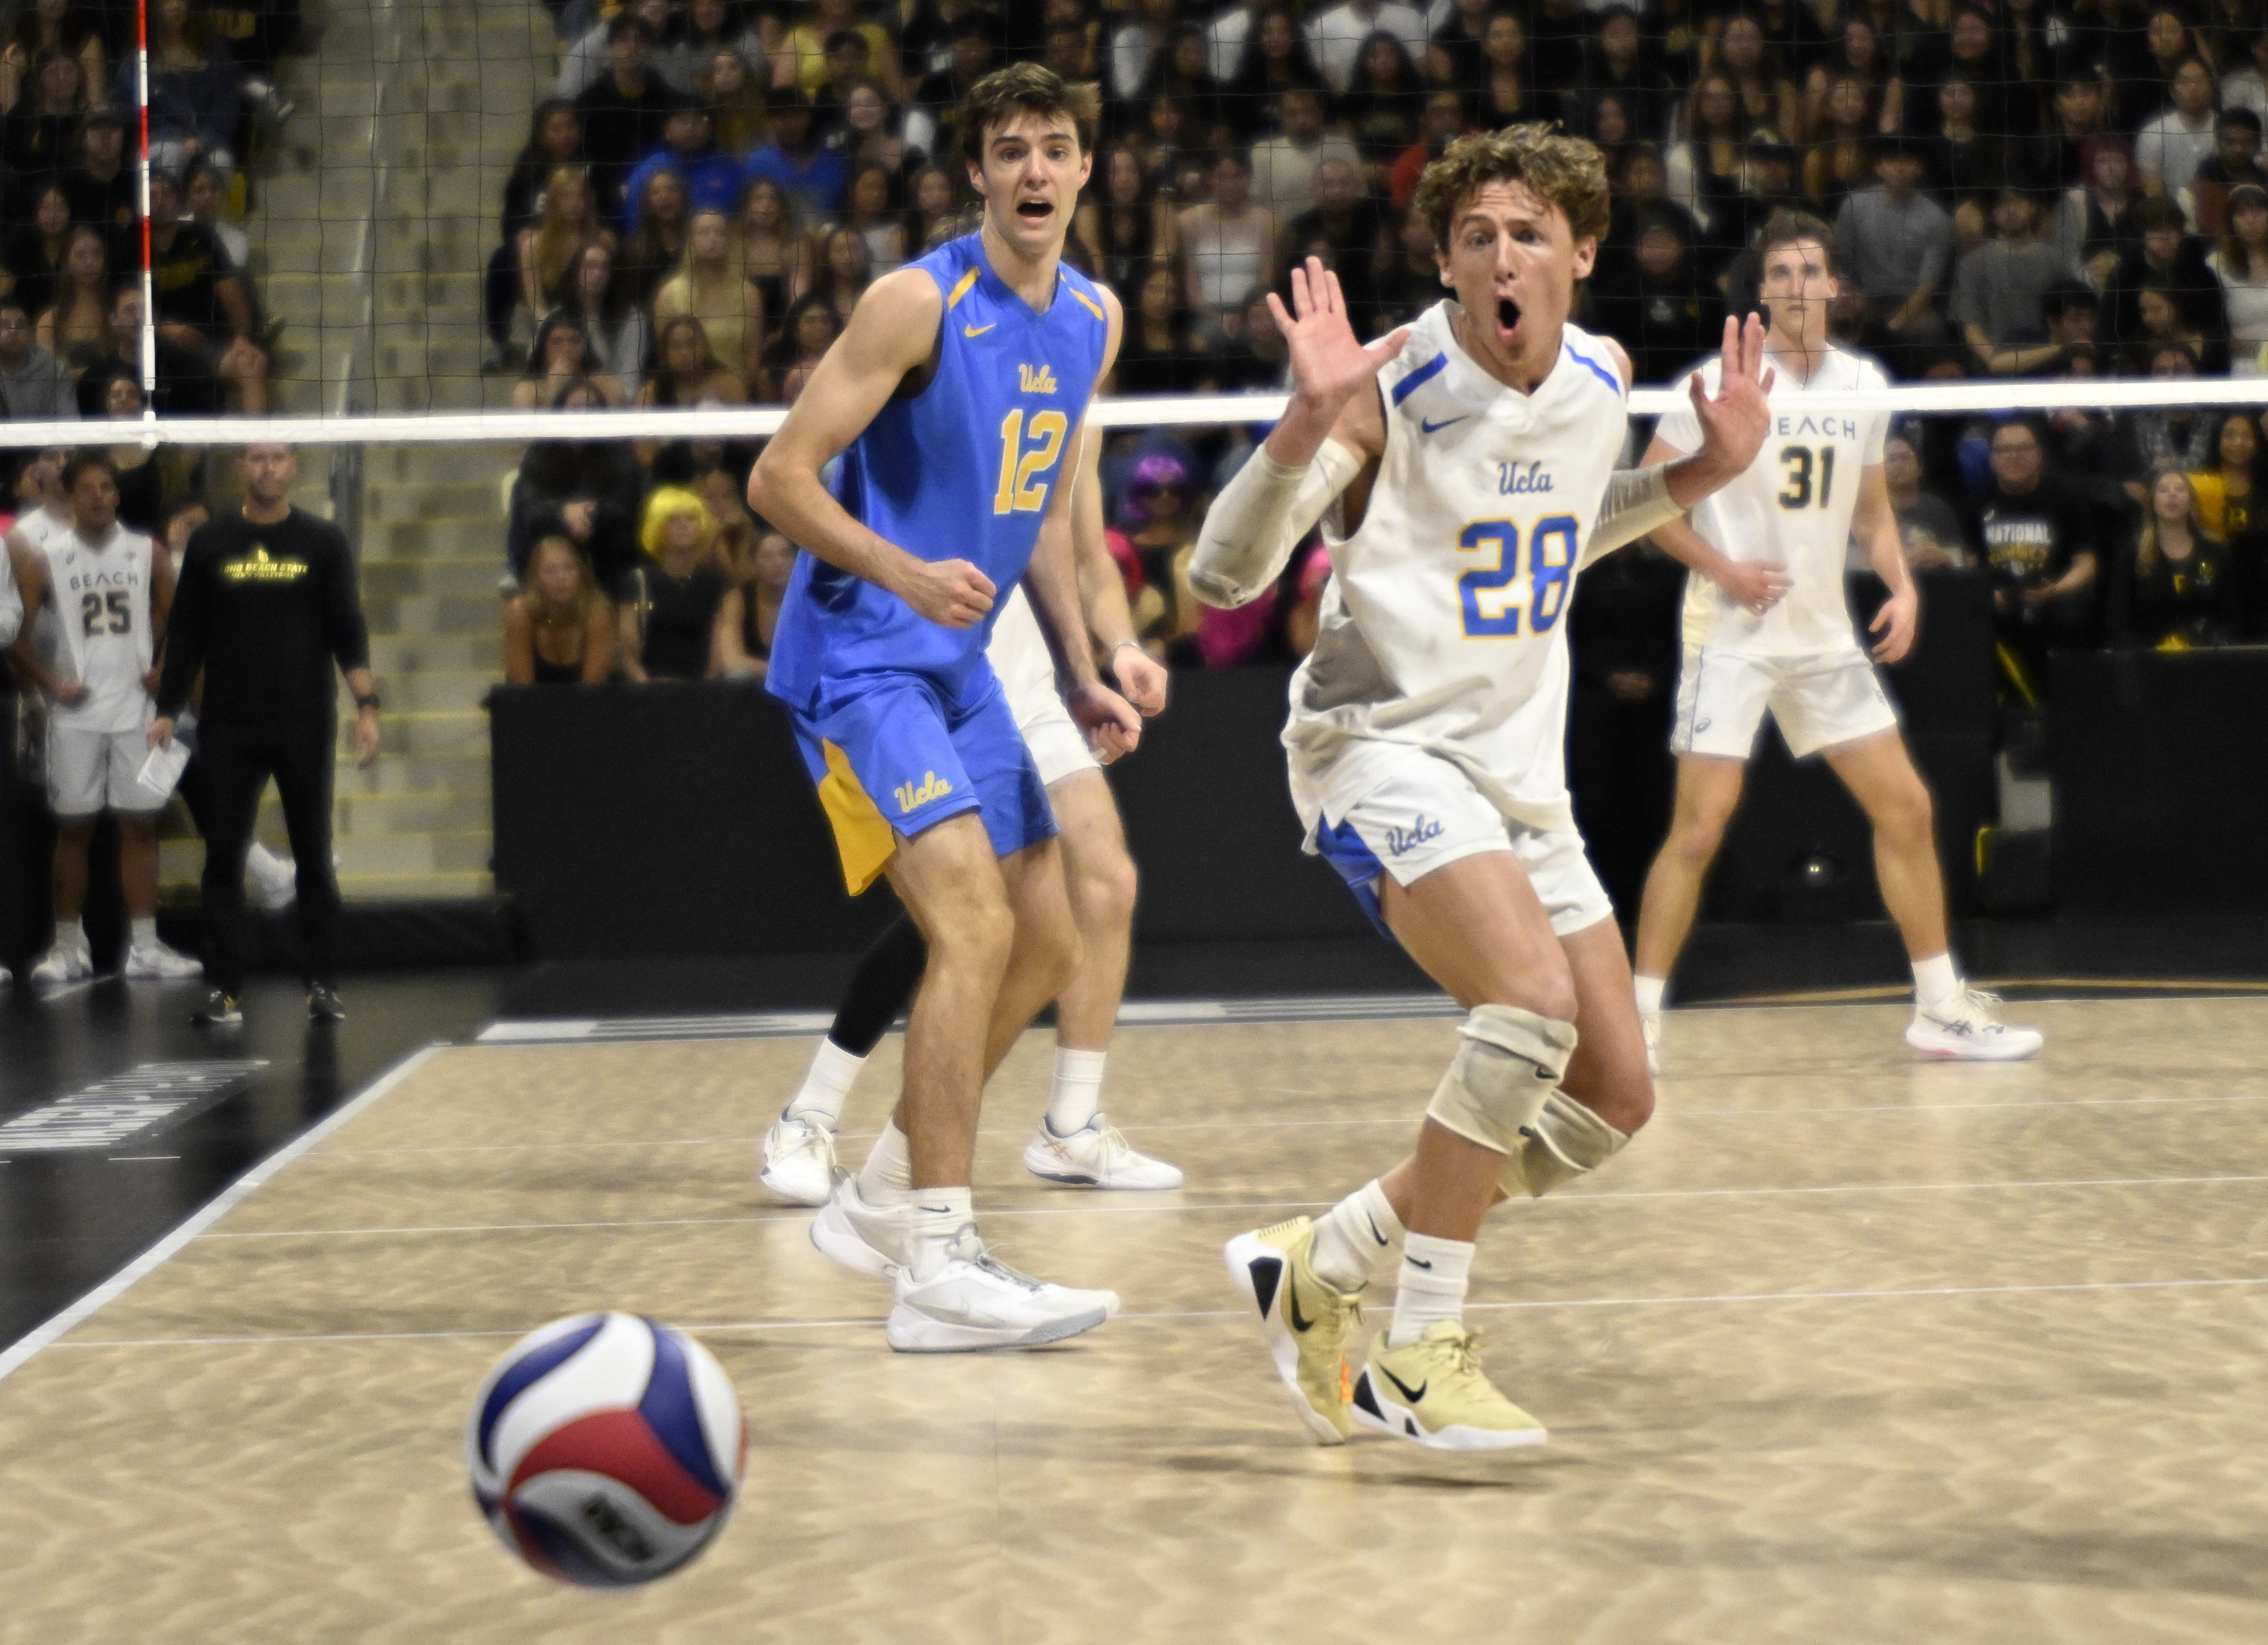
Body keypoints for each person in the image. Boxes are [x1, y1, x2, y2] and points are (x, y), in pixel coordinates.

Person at [1190, 127, 1771, 1450]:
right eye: (1474, 237)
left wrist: (1700, 476)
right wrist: (1301, 417)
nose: (1501, 256)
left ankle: (1320, 1259)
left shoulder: (1600, 378)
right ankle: (1417, 1350)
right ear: (1443, 266)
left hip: (1517, 771)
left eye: (1527, 233)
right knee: (1526, 1004)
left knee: (1611, 1099)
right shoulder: (1383, 389)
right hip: (1376, 747)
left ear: (1579, 253)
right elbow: (1223, 581)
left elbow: (1566, 524)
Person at [746, 63, 1141, 1354]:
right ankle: (938, 1263)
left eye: (1057, 149)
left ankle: (872, 1204)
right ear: (975, 172)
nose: (1034, 171)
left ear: (1087, 169)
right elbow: (776, 479)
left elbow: (1038, 515)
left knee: (1048, 943)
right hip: (858, 655)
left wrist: (1081, 667)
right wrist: (899, 566)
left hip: (966, 662)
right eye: (1010, 150)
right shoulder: (916, 301)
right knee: (970, 925)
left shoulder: (1092, 316)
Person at [1630, 213, 2042, 1075]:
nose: (1790, 284)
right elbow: (1644, 507)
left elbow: (1870, 513)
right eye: (1775, 271)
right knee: (1697, 829)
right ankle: (1637, 1024)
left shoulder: (1859, 382)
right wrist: (1722, 568)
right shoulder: (1715, 379)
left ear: (1832, 288)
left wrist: (1899, 584)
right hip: (1732, 634)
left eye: (1805, 270)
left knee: (1907, 809)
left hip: (1820, 637)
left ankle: (1936, 1007)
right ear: (1759, 290)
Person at [758, 426, 1181, 1205]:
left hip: (1022, 668)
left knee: (1099, 891)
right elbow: (789, 478)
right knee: (966, 919)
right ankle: (813, 1115)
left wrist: (1110, 651)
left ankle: (1069, 1123)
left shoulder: (1075, 355)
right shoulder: (930, 335)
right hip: (907, 655)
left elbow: (1078, 545)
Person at [150, 445, 379, 1026]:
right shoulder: (211, 542)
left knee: (312, 852)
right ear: (240, 469)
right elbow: (186, 632)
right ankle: (224, 987)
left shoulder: (323, 541)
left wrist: (367, 705)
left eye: (278, 459)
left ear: (294, 466)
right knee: (222, 856)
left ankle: (322, 982)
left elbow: (346, 625)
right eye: (257, 459)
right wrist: (166, 708)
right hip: (229, 721)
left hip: (303, 719)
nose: (268, 469)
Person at [9, 450, 201, 988]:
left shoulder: (147, 552)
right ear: (70, 497)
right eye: (90, 489)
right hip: (74, 715)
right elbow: (12, 637)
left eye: (108, 488)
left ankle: (145, 946)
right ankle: (68, 947)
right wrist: (49, 685)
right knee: (74, 830)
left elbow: (186, 621)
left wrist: (163, 668)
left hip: (134, 713)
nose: (101, 497)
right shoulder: (46, 558)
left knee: (139, 825)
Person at [1972, 416, 2101, 690]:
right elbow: (1969, 564)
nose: (2014, 456)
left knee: (2072, 619)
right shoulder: (1977, 502)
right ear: (1992, 458)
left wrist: (2056, 590)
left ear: (2040, 454)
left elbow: (2087, 562)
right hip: (1997, 602)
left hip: (2056, 599)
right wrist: (1988, 593)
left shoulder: (2067, 497)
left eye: (2023, 448)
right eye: (2004, 450)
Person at [2112, 469, 2241, 648]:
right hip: (2149, 663)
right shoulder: (2132, 556)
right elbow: (2118, 624)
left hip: (2205, 660)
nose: (2172, 495)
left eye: (2180, 489)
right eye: (2163, 490)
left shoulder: (2217, 553)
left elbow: (2230, 618)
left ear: (2192, 503)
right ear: (2152, 503)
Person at [617, 487, 727, 681]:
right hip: (649, 692)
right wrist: (652, 693)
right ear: (657, 527)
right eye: (673, 519)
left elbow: (717, 654)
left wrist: (704, 696)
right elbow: (628, 655)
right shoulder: (639, 581)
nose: (683, 525)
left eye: (691, 518)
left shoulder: (714, 584)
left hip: (702, 693)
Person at [504, 532, 614, 684]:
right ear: (535, 578)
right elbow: (523, 691)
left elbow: (592, 691)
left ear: (581, 573)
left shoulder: (596, 610)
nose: (561, 578)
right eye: (551, 571)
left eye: (569, 568)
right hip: (531, 701)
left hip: (587, 702)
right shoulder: (521, 611)